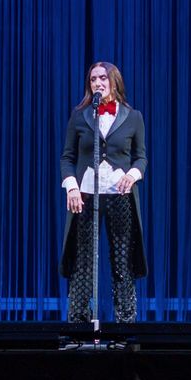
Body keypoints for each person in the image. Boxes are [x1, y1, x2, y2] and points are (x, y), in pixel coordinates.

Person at [59, 61, 148, 323]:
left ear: (114, 81)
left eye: (102, 78)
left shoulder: (133, 117)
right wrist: (72, 187)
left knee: (122, 260)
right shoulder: (80, 116)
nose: (97, 83)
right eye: (93, 79)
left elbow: (141, 157)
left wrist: (132, 175)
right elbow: (67, 157)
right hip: (86, 195)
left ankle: (126, 323)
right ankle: (78, 322)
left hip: (120, 195)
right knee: (83, 262)